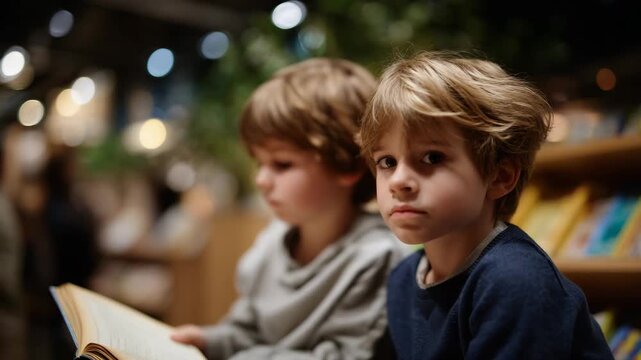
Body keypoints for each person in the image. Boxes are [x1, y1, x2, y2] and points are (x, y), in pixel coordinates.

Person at [359, 51, 613, 359]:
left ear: (500, 177)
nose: (398, 181)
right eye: (387, 161)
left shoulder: (514, 280)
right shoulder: (403, 278)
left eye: (431, 158)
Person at [171, 58, 408, 359]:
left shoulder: (376, 258)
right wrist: (206, 341)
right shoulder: (271, 242)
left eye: (282, 164)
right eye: (260, 163)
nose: (261, 180)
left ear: (347, 165)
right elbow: (245, 332)